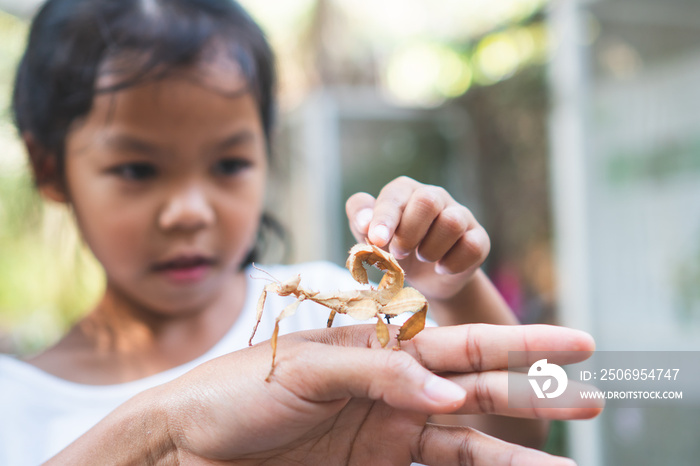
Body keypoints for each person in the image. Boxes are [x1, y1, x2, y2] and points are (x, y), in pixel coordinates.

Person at [0, 0, 600, 464]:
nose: (189, 211)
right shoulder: (15, 407)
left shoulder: (330, 310)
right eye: (137, 169)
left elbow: (519, 420)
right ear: (50, 168)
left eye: (229, 164)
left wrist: (449, 283)